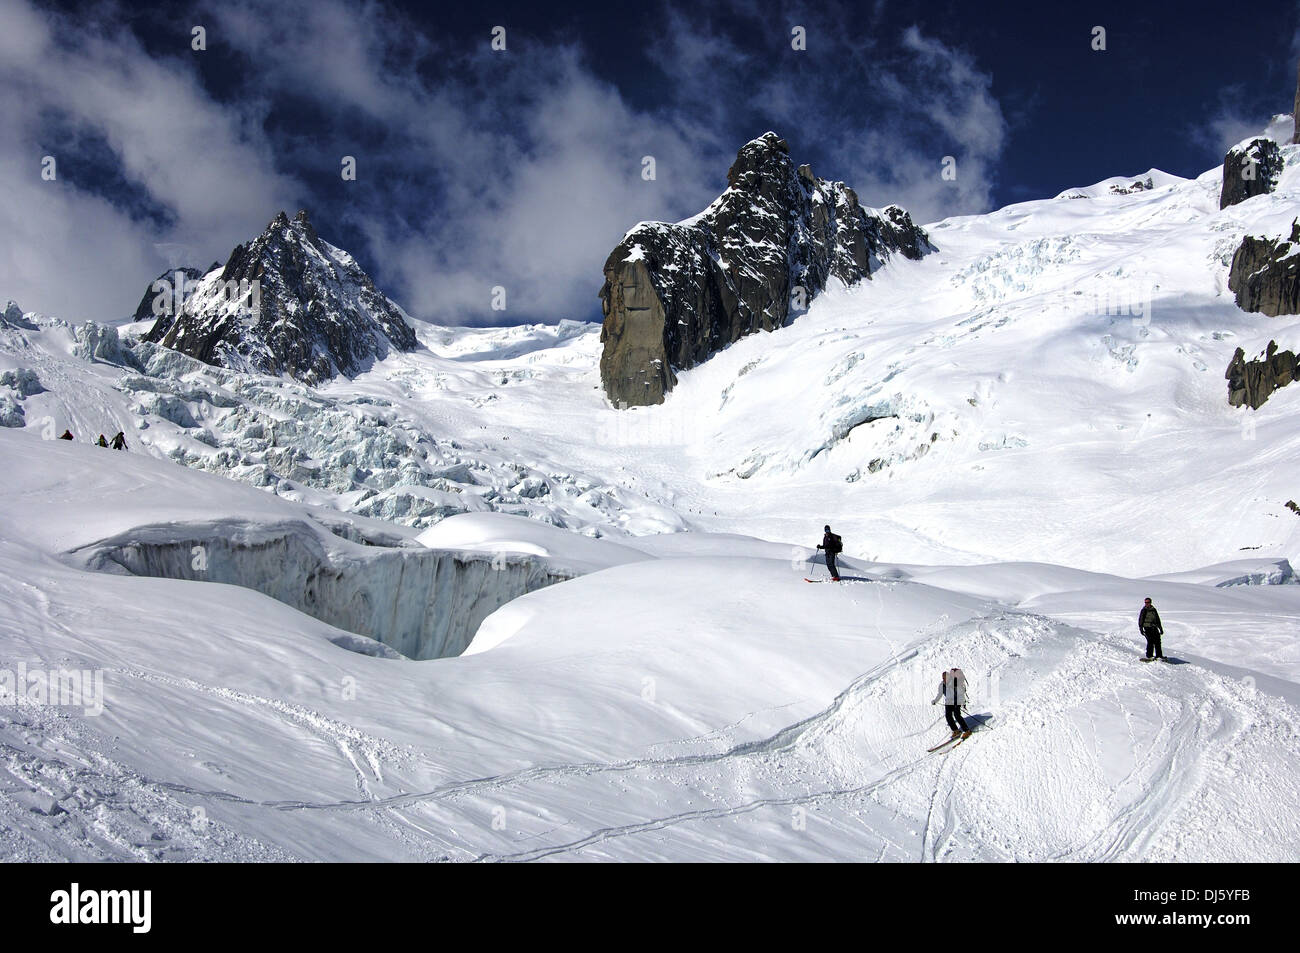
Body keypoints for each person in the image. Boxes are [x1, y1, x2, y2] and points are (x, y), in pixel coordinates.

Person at [931, 668, 970, 739]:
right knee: (948, 716)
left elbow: (960, 692)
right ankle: (955, 730)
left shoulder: (955, 682)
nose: (945, 679)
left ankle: (966, 730)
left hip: (956, 701)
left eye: (946, 677)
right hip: (948, 702)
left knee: (957, 715)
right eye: (943, 678)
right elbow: (940, 694)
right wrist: (935, 701)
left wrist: (962, 701)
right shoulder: (942, 685)